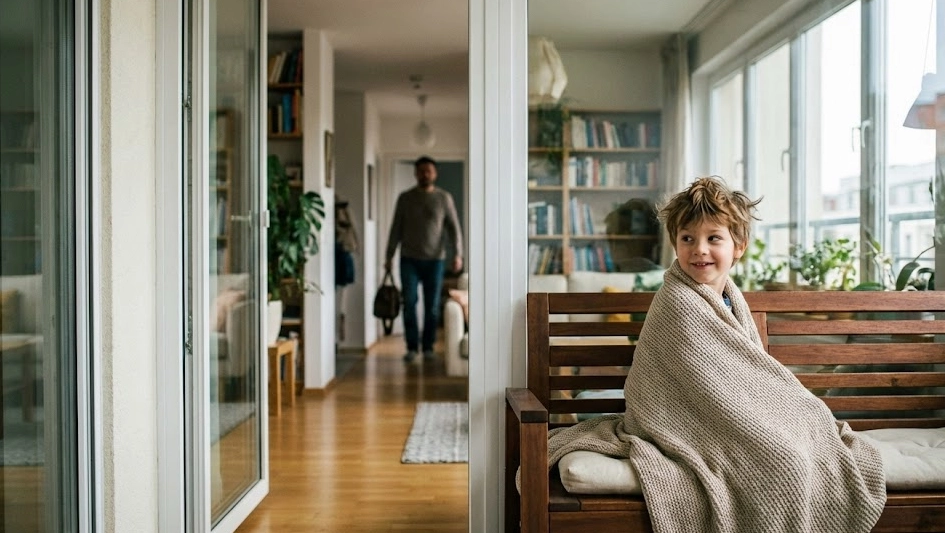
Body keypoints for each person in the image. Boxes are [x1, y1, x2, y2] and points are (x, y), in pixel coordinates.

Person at [538, 177, 886, 532]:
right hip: (678, 417)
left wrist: (784, 410)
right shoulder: (678, 300)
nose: (699, 249)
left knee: (811, 425)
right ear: (675, 243)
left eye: (713, 238)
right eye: (687, 238)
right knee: (783, 462)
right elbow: (705, 385)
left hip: (727, 410)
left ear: (738, 247)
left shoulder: (731, 296)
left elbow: (747, 373)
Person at [384, 156, 463, 363]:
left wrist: (458, 254)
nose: (425, 174)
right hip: (409, 259)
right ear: (415, 173)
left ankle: (428, 347)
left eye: (428, 171)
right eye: (421, 171)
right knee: (409, 303)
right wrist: (389, 256)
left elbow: (454, 228)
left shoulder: (444, 198)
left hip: (436, 261)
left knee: (432, 306)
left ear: (435, 173)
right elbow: (395, 229)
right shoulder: (405, 198)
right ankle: (411, 347)